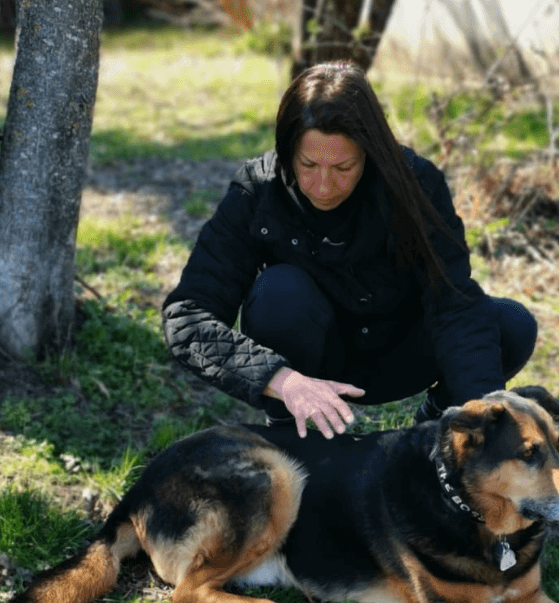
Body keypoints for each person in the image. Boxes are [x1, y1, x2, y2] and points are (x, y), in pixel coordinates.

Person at [162, 61, 537, 439]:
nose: (324, 186)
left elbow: (453, 303)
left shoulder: (416, 184)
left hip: (399, 353)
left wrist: (484, 419)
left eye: (343, 167)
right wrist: (281, 380)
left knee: (510, 325)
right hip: (311, 364)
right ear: (287, 150)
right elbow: (188, 317)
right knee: (279, 290)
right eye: (308, 164)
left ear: (370, 153)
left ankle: (437, 428)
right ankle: (288, 434)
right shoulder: (258, 190)